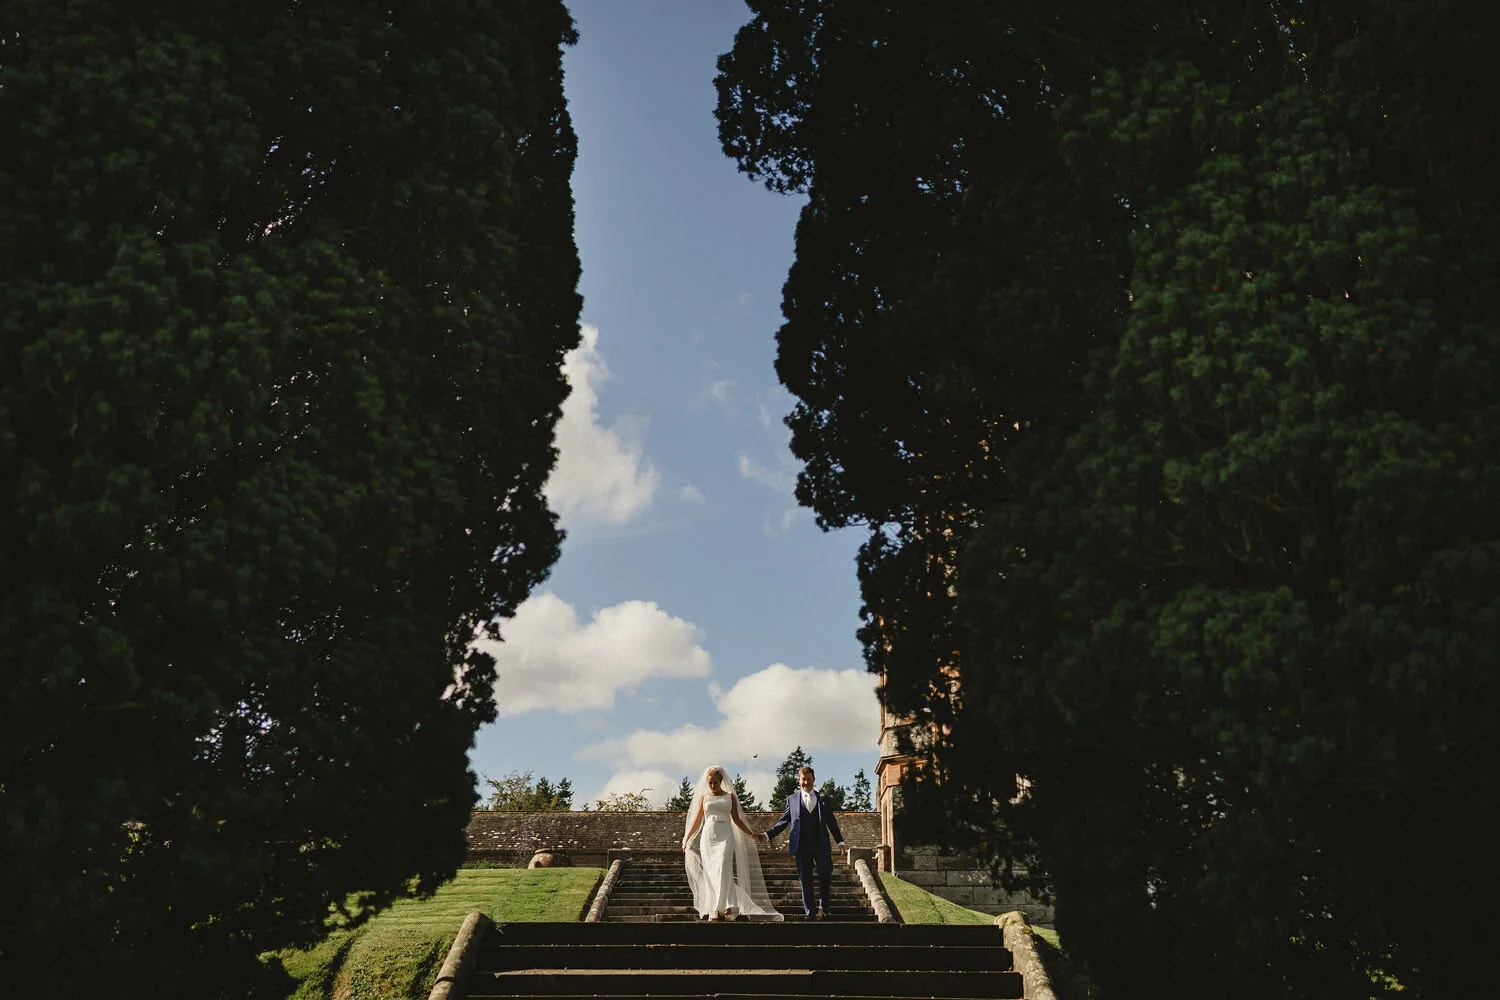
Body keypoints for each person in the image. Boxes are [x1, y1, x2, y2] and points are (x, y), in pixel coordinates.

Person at [681, 765, 783, 921]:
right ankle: (715, 908)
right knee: (711, 872)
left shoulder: (730, 797)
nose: (713, 786)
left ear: (721, 780)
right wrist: (687, 837)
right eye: (710, 783)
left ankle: (728, 904)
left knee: (723, 867)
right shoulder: (704, 798)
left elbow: (736, 819)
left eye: (715, 782)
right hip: (709, 837)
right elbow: (697, 820)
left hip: (725, 837)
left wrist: (750, 834)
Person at [765, 765, 846, 918]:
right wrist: (768, 834)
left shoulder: (823, 799)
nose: (806, 782)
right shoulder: (792, 799)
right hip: (801, 846)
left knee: (825, 873)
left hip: (821, 845)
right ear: (799, 780)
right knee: (805, 879)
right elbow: (783, 822)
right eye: (803, 780)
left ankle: (824, 906)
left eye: (809, 779)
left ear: (814, 780)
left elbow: (831, 822)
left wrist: (840, 841)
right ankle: (810, 911)